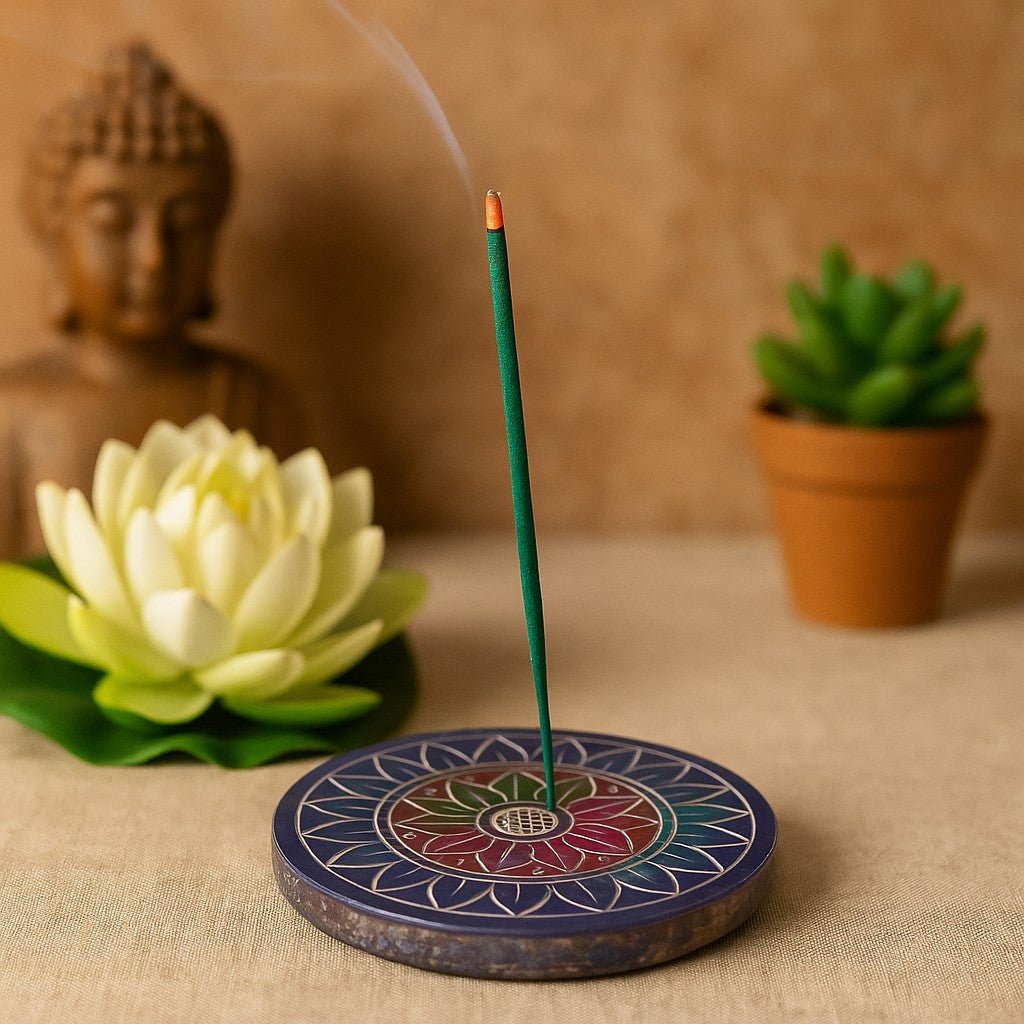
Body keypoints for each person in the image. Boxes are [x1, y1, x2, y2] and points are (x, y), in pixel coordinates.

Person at [0, 42, 273, 556]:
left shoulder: (251, 401)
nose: (153, 257)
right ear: (56, 236)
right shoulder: (12, 415)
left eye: (187, 224)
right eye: (112, 222)